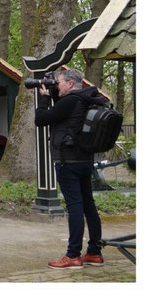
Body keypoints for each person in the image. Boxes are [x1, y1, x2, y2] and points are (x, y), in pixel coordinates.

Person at [35, 66, 111, 269]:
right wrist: (53, 92)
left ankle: (73, 256)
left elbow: (41, 119)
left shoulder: (71, 101)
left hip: (68, 162)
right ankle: (94, 253)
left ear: (70, 83)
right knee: (88, 206)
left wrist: (43, 99)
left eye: (58, 83)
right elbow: (66, 114)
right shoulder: (87, 99)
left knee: (75, 207)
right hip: (85, 161)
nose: (56, 86)